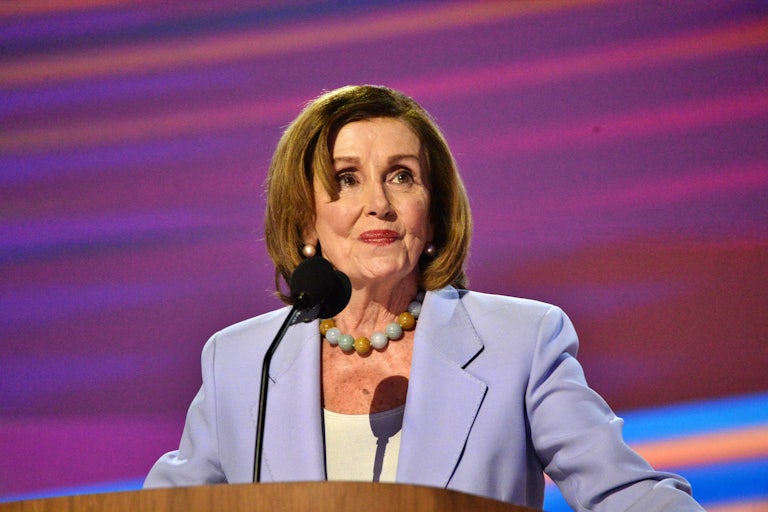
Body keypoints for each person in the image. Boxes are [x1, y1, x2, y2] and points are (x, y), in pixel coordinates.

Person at [144, 85, 704, 511]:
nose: (379, 204)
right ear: (304, 218)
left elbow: (629, 495)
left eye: (403, 176)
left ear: (432, 214)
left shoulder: (520, 343)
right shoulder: (243, 360)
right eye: (345, 178)